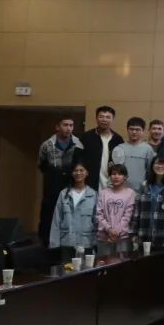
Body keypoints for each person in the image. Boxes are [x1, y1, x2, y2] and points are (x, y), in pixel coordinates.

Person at [38, 116, 84, 246]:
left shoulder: (78, 144)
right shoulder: (47, 145)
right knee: (49, 214)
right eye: (65, 125)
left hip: (71, 182)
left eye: (71, 125)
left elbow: (81, 163)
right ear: (58, 127)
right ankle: (47, 244)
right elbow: (42, 165)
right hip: (52, 183)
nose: (68, 128)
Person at [50, 161, 97, 259]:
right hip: (67, 242)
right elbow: (56, 220)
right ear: (72, 173)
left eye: (81, 170)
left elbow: (96, 220)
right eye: (75, 170)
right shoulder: (64, 194)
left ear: (87, 173)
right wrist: (54, 243)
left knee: (86, 268)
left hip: (86, 242)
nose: (78, 173)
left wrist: (96, 242)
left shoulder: (93, 195)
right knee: (67, 268)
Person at [136, 156, 164, 249]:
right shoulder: (144, 185)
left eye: (163, 164)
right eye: (157, 163)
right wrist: (133, 233)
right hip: (144, 235)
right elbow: (137, 211)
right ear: (152, 166)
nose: (160, 166)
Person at [95, 163, 135, 257]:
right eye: (113, 174)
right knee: (104, 263)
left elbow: (128, 215)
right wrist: (109, 229)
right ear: (110, 176)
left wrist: (117, 231)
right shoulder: (103, 193)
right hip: (104, 237)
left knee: (122, 264)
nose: (116, 176)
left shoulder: (130, 193)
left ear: (125, 177)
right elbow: (99, 214)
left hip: (122, 237)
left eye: (120, 174)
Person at [80, 105, 124, 190]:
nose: (104, 119)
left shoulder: (118, 139)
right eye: (101, 116)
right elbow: (78, 159)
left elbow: (121, 163)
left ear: (112, 119)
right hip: (89, 182)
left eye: (108, 117)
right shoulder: (86, 137)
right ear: (96, 118)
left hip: (111, 182)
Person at [111, 117, 155, 193]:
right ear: (127, 130)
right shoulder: (119, 148)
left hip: (141, 191)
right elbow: (115, 170)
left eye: (137, 129)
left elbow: (150, 171)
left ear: (143, 131)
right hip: (121, 190)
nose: (134, 132)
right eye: (131, 129)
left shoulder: (148, 149)